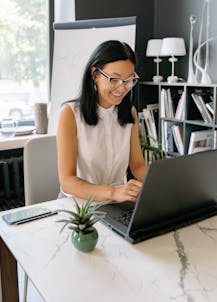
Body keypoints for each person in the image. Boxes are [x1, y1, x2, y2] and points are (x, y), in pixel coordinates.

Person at [56, 40, 148, 202]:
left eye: (129, 80)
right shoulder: (70, 114)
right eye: (115, 79)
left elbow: (137, 165)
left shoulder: (129, 113)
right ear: (95, 75)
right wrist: (113, 192)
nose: (122, 88)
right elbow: (67, 182)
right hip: (79, 205)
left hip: (116, 203)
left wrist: (159, 184)